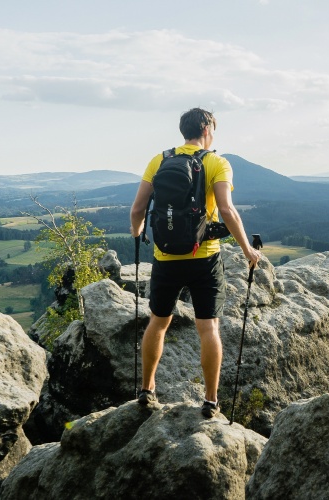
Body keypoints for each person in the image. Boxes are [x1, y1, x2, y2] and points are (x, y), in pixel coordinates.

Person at [129, 108, 261, 418]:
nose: (214, 134)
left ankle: (147, 390)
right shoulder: (216, 162)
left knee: (158, 323)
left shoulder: (159, 160)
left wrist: (138, 236)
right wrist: (247, 251)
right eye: (213, 129)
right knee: (208, 328)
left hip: (166, 257)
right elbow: (227, 211)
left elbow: (137, 210)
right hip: (204, 258)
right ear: (206, 130)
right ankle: (211, 401)